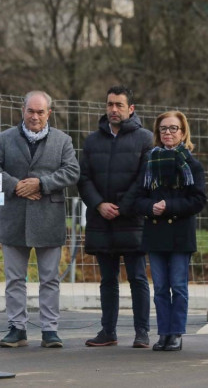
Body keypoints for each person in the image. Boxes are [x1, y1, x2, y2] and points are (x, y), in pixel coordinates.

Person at [0, 91, 80, 348]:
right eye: (31, 111)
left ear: (49, 113)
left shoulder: (63, 141)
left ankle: (50, 330)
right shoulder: (3, 139)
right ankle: (17, 328)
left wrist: (41, 184)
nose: (35, 116)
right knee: (15, 279)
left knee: (49, 279)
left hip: (49, 218)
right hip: (14, 218)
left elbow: (72, 172)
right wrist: (16, 186)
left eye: (40, 112)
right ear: (22, 111)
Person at [78, 85, 154, 348]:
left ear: (130, 109)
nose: (113, 109)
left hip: (132, 219)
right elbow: (84, 178)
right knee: (108, 280)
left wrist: (122, 206)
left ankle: (142, 332)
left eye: (119, 105)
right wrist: (99, 205)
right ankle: (107, 331)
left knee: (137, 278)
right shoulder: (92, 141)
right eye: (110, 104)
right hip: (101, 220)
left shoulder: (145, 139)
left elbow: (145, 178)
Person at [135, 111, 206, 352]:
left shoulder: (191, 164)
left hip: (180, 234)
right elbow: (137, 198)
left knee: (178, 286)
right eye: (163, 129)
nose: (168, 133)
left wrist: (170, 206)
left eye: (173, 128)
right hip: (155, 234)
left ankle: (176, 333)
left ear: (183, 132)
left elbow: (198, 200)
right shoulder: (148, 163)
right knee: (161, 289)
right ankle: (163, 332)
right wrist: (149, 207)